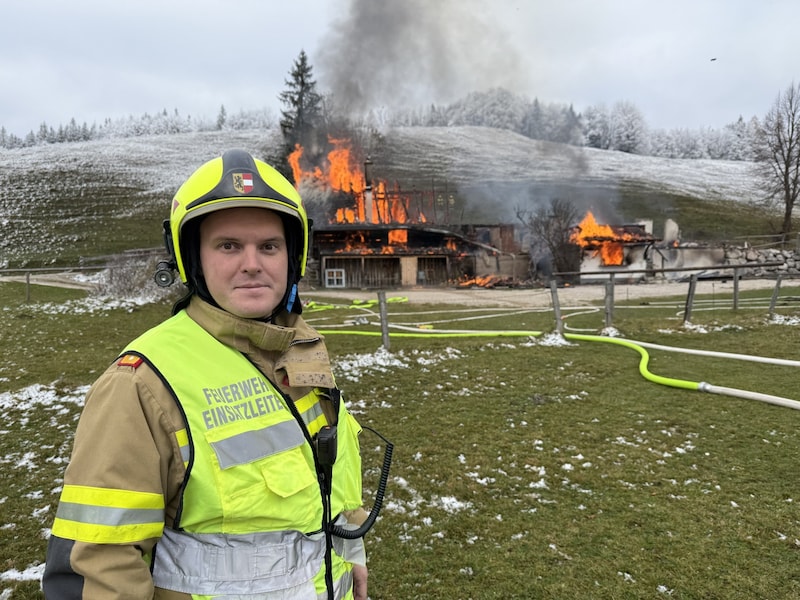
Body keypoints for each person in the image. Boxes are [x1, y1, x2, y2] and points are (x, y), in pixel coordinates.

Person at [43, 149, 369, 599]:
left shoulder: (302, 350)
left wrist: (352, 557)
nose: (252, 263)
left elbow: (334, 477)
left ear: (292, 256)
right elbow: (98, 564)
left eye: (269, 246)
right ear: (193, 259)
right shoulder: (141, 382)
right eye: (228, 245)